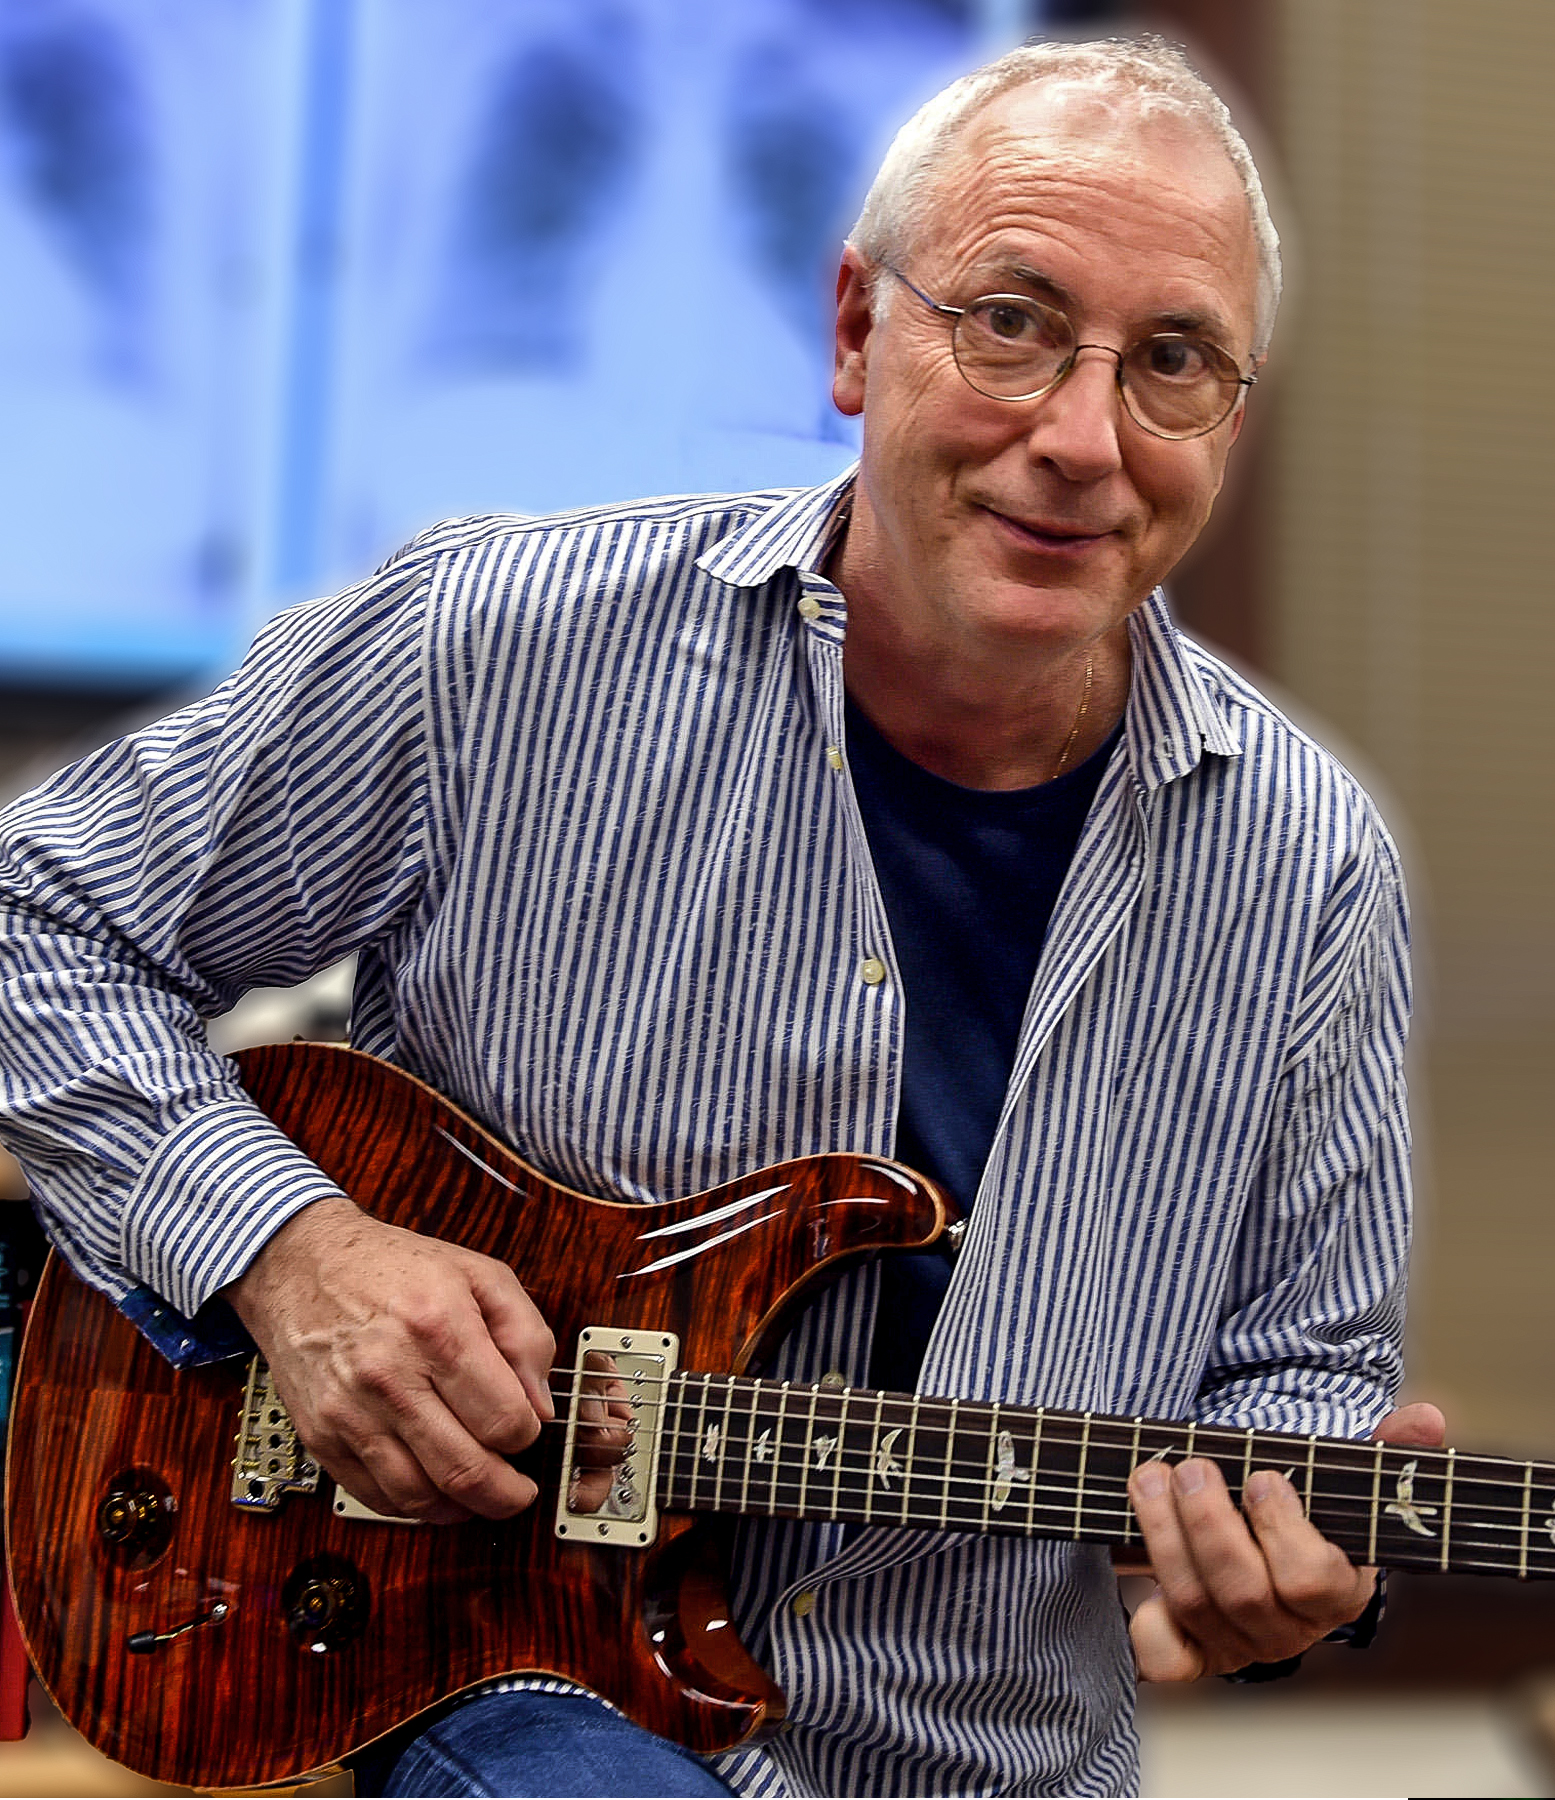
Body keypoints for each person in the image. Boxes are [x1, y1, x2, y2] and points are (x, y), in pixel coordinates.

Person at [0, 35, 1431, 1797]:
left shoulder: (1310, 870)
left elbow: (1297, 1387)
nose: (1080, 436)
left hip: (986, 1763)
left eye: (1172, 364)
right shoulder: (497, 648)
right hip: (494, 1672)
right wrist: (292, 1251)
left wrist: (1286, 1569)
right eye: (1009, 321)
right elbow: (35, 918)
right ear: (853, 332)